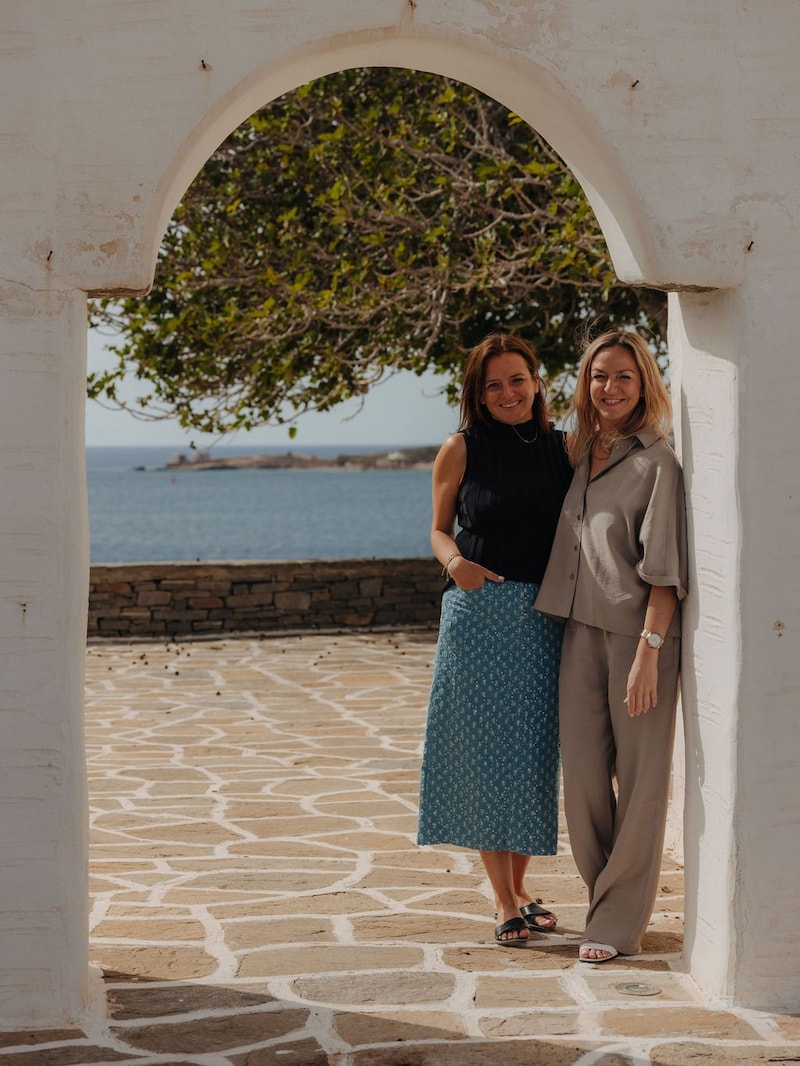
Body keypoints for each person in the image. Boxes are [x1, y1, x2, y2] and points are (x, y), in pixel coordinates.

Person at [535, 328, 688, 963]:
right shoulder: (579, 452)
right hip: (576, 633)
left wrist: (650, 650)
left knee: (642, 783)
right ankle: (604, 897)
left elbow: (665, 570)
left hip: (638, 639)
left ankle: (616, 923)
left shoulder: (658, 464)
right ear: (585, 383)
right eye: (600, 376)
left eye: (624, 376)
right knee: (585, 782)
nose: (610, 387)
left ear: (645, 382)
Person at [417, 332, 573, 947]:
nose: (507, 392)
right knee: (484, 754)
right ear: (478, 396)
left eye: (517, 379)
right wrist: (455, 565)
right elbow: (437, 530)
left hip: (543, 617)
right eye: (493, 384)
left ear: (537, 381)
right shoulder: (461, 448)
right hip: (478, 615)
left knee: (531, 754)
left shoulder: (568, 449)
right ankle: (505, 898)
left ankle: (523, 887)